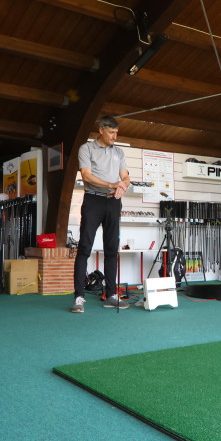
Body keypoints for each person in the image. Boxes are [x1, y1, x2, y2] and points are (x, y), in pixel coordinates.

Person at [72, 116, 131, 312]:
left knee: (112, 249)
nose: (115, 136)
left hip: (113, 202)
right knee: (84, 247)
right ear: (101, 130)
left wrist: (122, 186)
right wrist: (112, 184)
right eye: (111, 132)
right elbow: (86, 175)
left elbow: (125, 176)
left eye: (116, 132)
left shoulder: (119, 152)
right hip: (93, 200)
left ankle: (111, 295)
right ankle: (79, 297)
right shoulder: (86, 149)